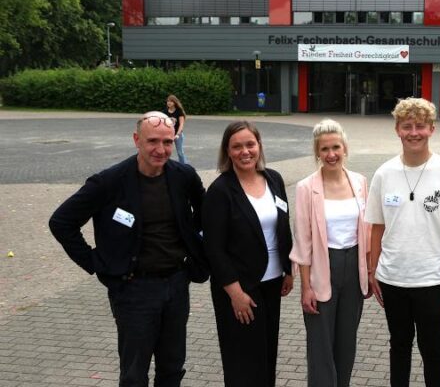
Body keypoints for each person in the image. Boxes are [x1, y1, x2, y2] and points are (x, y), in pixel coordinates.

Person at [49, 111, 208, 387]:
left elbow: (206, 213)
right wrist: (96, 262)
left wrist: (191, 245)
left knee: (172, 367)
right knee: (134, 374)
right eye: (153, 141)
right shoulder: (109, 181)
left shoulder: (183, 175)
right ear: (136, 140)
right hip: (134, 290)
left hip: (176, 284)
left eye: (168, 142)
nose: (161, 150)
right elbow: (61, 222)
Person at [365, 97, 440, 387]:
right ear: (397, 129)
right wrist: (373, 271)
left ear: (432, 129)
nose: (414, 133)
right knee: (399, 346)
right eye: (407, 126)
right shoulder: (384, 174)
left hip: (432, 281)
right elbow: (377, 227)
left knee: (432, 349)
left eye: (420, 126)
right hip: (393, 279)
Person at [202, 121, 294, 387]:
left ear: (259, 146)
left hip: (272, 281)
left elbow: (283, 227)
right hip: (240, 288)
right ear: (228, 152)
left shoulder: (274, 179)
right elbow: (214, 248)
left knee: (266, 354)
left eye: (250, 144)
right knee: (242, 360)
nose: (245, 151)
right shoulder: (220, 190)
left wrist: (288, 269)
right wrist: (235, 293)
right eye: (237, 146)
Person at [290, 119, 371, 387]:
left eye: (336, 147)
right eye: (324, 149)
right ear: (317, 152)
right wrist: (306, 287)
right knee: (321, 344)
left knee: (347, 341)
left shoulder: (359, 181)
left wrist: (370, 272)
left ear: (345, 147)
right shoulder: (306, 187)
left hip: (354, 266)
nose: (331, 154)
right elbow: (303, 241)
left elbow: (367, 231)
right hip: (322, 268)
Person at [163, 94, 187, 164]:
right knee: (165, 151)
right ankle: (165, 166)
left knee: (180, 152)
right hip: (167, 135)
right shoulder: (165, 112)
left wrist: (177, 134)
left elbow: (181, 124)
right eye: (168, 101)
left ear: (174, 102)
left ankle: (184, 167)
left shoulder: (179, 111)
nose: (169, 103)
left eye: (171, 101)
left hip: (177, 135)